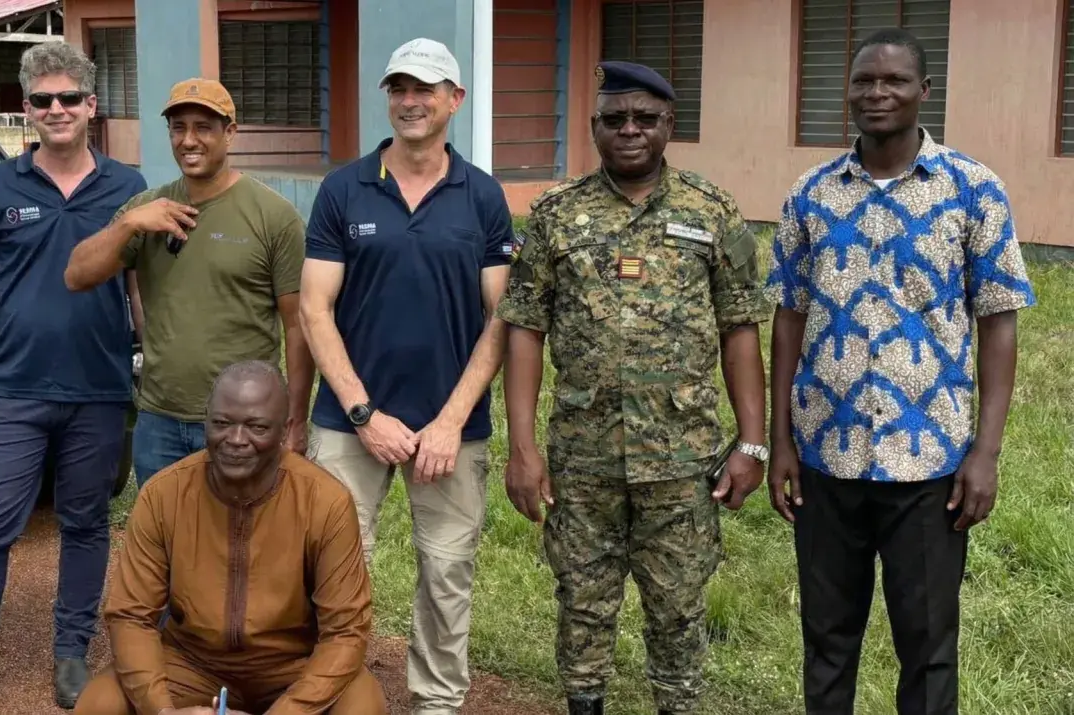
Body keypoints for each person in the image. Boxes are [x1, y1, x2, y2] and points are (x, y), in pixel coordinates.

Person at [764, 28, 1036, 715]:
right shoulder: (811, 194)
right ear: (847, 90)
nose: (876, 93)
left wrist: (985, 451)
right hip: (828, 456)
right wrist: (781, 443)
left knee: (928, 645)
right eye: (863, 81)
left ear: (923, 91)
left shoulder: (973, 190)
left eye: (892, 81)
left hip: (931, 466)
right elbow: (788, 317)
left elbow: (998, 319)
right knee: (827, 640)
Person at [495, 60, 771, 715]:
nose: (629, 131)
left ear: (669, 125)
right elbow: (525, 330)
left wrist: (753, 442)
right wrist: (524, 448)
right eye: (614, 119)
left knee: (678, 603)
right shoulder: (557, 215)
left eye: (645, 119)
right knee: (582, 601)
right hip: (582, 457)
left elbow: (740, 329)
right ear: (593, 127)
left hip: (683, 458)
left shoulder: (712, 210)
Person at [298, 37, 514, 714]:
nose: (410, 101)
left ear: (456, 99)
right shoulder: (343, 189)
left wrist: (450, 421)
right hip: (348, 424)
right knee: (331, 571)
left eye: (424, 88)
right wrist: (364, 413)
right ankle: (331, 691)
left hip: (453, 429)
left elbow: (501, 318)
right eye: (399, 88)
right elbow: (314, 307)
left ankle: (437, 702)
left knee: (447, 576)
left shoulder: (482, 197)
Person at [0, 42, 148, 715]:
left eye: (68, 98)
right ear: (25, 109)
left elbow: (142, 286)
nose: (55, 110)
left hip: (99, 386)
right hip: (13, 387)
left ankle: (70, 655)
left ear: (91, 106)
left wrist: (156, 355)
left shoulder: (128, 188)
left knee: (86, 523)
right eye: (40, 100)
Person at [73, 360, 386, 715]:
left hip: (292, 667)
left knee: (363, 704)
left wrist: (289, 711)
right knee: (99, 703)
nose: (236, 440)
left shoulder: (325, 502)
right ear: (206, 420)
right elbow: (131, 615)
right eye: (222, 424)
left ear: (284, 430)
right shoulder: (165, 494)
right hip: (192, 664)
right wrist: (162, 710)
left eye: (256, 427)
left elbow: (345, 632)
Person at [65, 78, 314, 489]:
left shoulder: (273, 216)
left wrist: (295, 418)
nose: (188, 140)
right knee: (167, 548)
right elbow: (76, 275)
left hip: (243, 426)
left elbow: (297, 325)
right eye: (178, 128)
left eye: (203, 127)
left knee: (240, 545)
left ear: (229, 133)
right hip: (159, 420)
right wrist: (128, 224)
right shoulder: (147, 210)